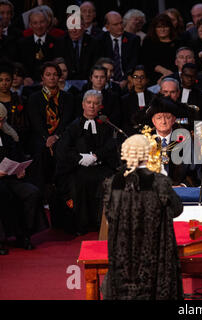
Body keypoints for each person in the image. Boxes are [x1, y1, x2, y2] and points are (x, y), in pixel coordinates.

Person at [101, 134, 184, 300]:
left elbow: (109, 215)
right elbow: (177, 209)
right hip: (156, 254)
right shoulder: (159, 182)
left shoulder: (113, 182)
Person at [55, 90, 120, 235]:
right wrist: (79, 158)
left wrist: (96, 156)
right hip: (77, 167)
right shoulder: (74, 126)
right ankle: (80, 224)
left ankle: (101, 222)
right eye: (89, 103)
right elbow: (63, 149)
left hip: (101, 165)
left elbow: (110, 146)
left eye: (95, 103)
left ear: (100, 106)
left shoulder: (106, 125)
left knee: (111, 181)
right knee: (78, 182)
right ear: (83, 104)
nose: (92, 106)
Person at [0, 103, 47, 252]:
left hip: (10, 178)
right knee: (3, 194)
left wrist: (20, 169)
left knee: (32, 192)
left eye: (1, 120)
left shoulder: (8, 137)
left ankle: (23, 235)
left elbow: (18, 157)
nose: (0, 123)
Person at [26, 62, 75, 195]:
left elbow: (66, 121)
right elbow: (35, 122)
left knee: (63, 148)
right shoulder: (34, 98)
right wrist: (47, 138)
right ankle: (41, 194)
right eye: (48, 75)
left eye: (55, 75)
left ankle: (63, 193)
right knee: (41, 149)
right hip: (40, 136)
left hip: (61, 135)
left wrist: (56, 136)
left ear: (59, 77)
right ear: (42, 77)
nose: (52, 78)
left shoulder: (68, 97)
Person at [17, 7, 61, 84]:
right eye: (35, 23)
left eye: (42, 22)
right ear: (30, 25)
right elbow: (20, 65)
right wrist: (25, 77)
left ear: (47, 22)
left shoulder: (57, 42)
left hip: (50, 83)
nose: (39, 26)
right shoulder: (22, 43)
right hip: (28, 84)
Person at [98, 11, 140, 88]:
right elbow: (100, 63)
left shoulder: (133, 40)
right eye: (116, 24)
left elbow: (134, 62)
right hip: (107, 80)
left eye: (121, 23)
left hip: (128, 80)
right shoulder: (100, 40)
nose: (120, 27)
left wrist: (126, 79)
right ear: (107, 27)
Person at [141, 13, 180, 86]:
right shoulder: (148, 41)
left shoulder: (178, 41)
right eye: (159, 27)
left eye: (165, 26)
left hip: (175, 76)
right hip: (154, 78)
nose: (162, 29)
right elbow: (146, 61)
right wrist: (165, 72)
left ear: (170, 27)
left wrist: (170, 76)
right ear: (154, 28)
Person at [122, 65, 154, 136]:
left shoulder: (153, 98)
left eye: (142, 77)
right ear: (132, 79)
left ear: (147, 79)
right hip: (131, 135)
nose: (139, 80)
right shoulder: (125, 100)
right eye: (135, 77)